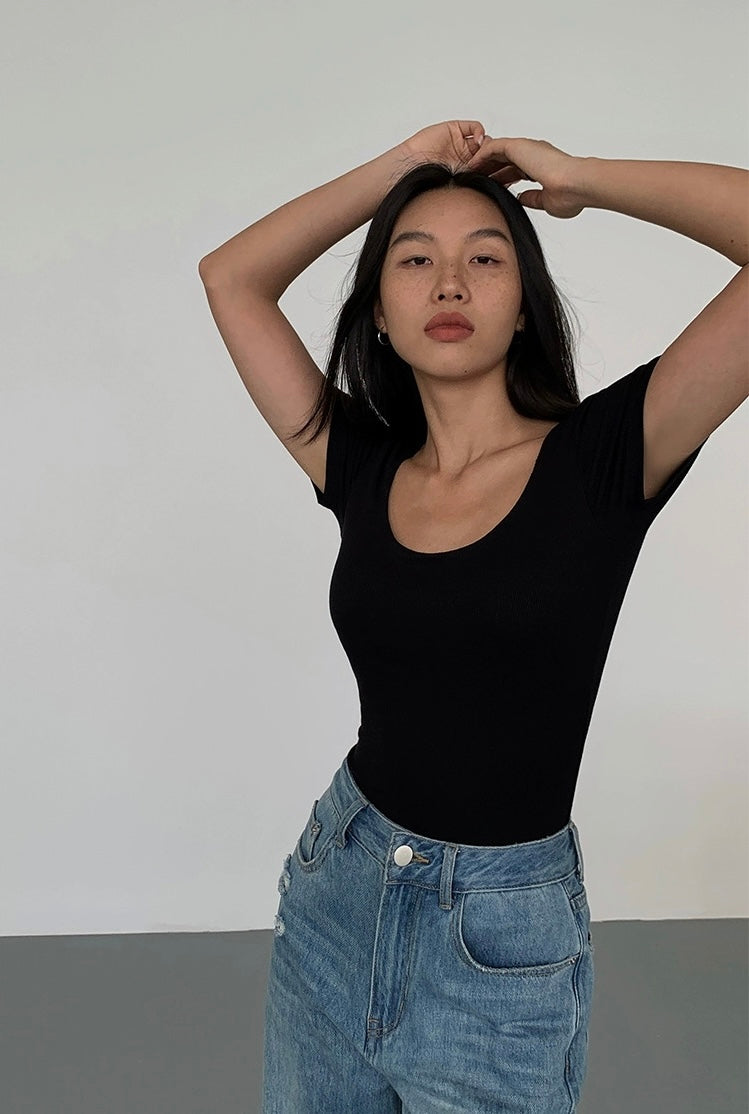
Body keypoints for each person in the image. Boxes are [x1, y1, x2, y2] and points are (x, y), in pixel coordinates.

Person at [198, 121, 748, 1113]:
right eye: (414, 261)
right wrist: (401, 171)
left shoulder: (604, 459)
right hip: (337, 891)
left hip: (496, 946)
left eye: (484, 260)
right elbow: (230, 278)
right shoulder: (358, 465)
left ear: (523, 304)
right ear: (378, 312)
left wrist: (582, 178)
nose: (448, 284)